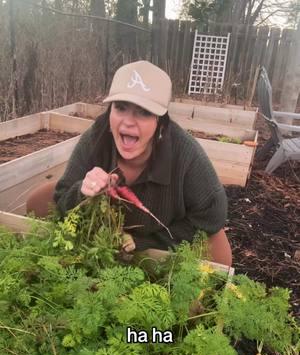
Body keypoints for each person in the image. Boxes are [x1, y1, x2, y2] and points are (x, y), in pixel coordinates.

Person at [27, 60, 232, 266]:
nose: (128, 121)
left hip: (159, 258)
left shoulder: (186, 154)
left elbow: (211, 217)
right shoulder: (96, 139)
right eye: (121, 107)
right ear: (110, 111)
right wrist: (82, 190)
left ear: (160, 122)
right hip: (99, 251)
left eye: (144, 112)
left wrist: (148, 242)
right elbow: (61, 200)